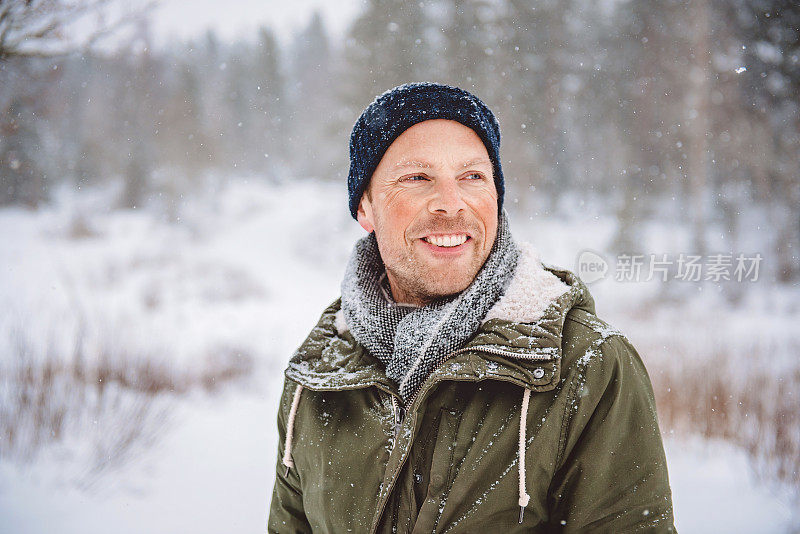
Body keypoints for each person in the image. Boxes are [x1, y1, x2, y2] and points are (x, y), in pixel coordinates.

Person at [268, 82, 675, 533]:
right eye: (417, 178)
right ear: (365, 205)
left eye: (472, 177)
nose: (451, 203)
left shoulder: (589, 366)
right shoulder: (318, 375)